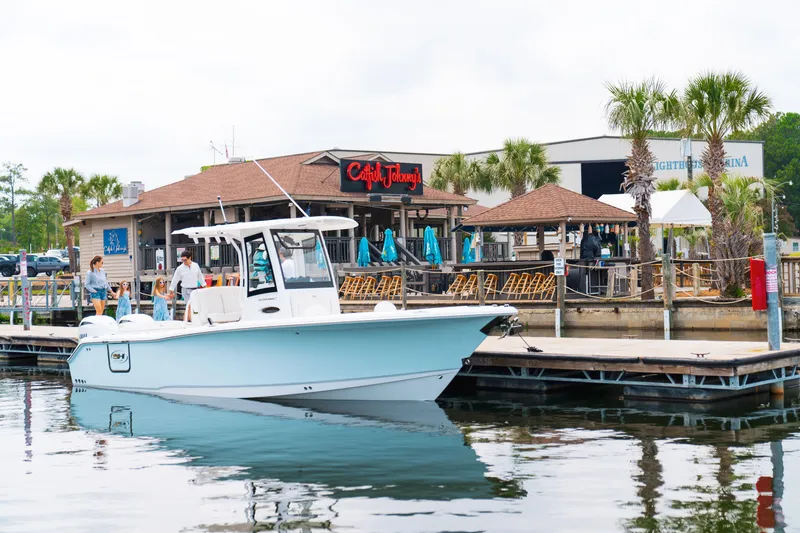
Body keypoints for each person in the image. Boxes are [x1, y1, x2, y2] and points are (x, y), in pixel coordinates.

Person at [169, 250, 206, 321]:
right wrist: (171, 289)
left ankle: (188, 320)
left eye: (185, 260)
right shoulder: (180, 268)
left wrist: (204, 285)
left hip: (195, 289)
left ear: (190, 258)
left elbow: (200, 276)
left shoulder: (196, 265)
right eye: (182, 260)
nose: (184, 262)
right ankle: (190, 321)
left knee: (195, 306)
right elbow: (175, 279)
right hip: (185, 290)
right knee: (189, 306)